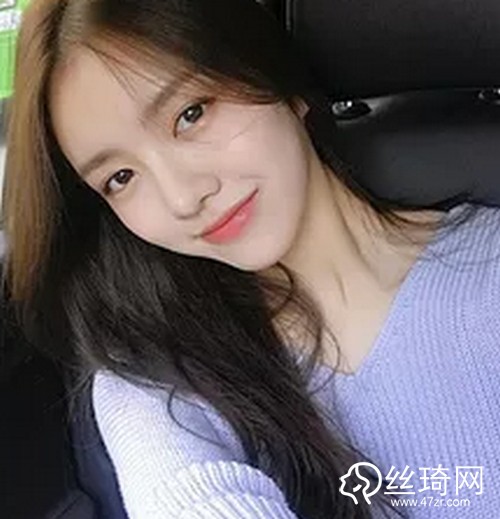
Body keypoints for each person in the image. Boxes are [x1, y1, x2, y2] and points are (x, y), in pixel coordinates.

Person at [3, 0, 500, 517]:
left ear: (274, 75)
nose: (182, 198)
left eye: (191, 114)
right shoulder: (154, 371)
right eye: (120, 178)